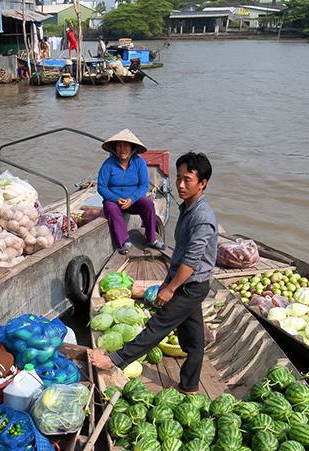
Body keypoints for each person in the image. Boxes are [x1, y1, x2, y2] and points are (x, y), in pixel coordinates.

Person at [89, 152, 217, 394]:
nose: (180, 185)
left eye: (187, 180)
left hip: (191, 284)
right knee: (193, 339)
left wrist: (171, 288)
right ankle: (189, 385)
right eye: (178, 178)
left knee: (158, 325)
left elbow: (191, 261)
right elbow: (181, 254)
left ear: (202, 183)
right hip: (186, 280)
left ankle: (115, 360)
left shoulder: (201, 217)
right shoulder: (188, 208)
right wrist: (167, 282)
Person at [96, 129, 160, 254]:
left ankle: (151, 238)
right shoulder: (108, 164)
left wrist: (132, 199)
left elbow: (144, 185)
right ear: (115, 148)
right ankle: (123, 241)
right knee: (110, 207)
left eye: (125, 146)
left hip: (133, 201)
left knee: (148, 204)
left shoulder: (139, 163)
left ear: (132, 148)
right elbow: (101, 187)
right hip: (115, 201)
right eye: (119, 146)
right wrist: (115, 199)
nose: (122, 149)